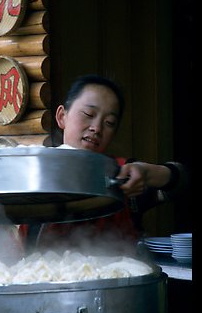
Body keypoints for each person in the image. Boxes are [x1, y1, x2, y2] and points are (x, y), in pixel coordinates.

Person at [19, 74, 188, 251]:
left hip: (118, 275)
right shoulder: (35, 172)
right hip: (41, 273)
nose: (97, 128)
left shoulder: (122, 174)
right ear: (62, 117)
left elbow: (182, 181)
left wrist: (147, 173)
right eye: (88, 114)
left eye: (109, 123)